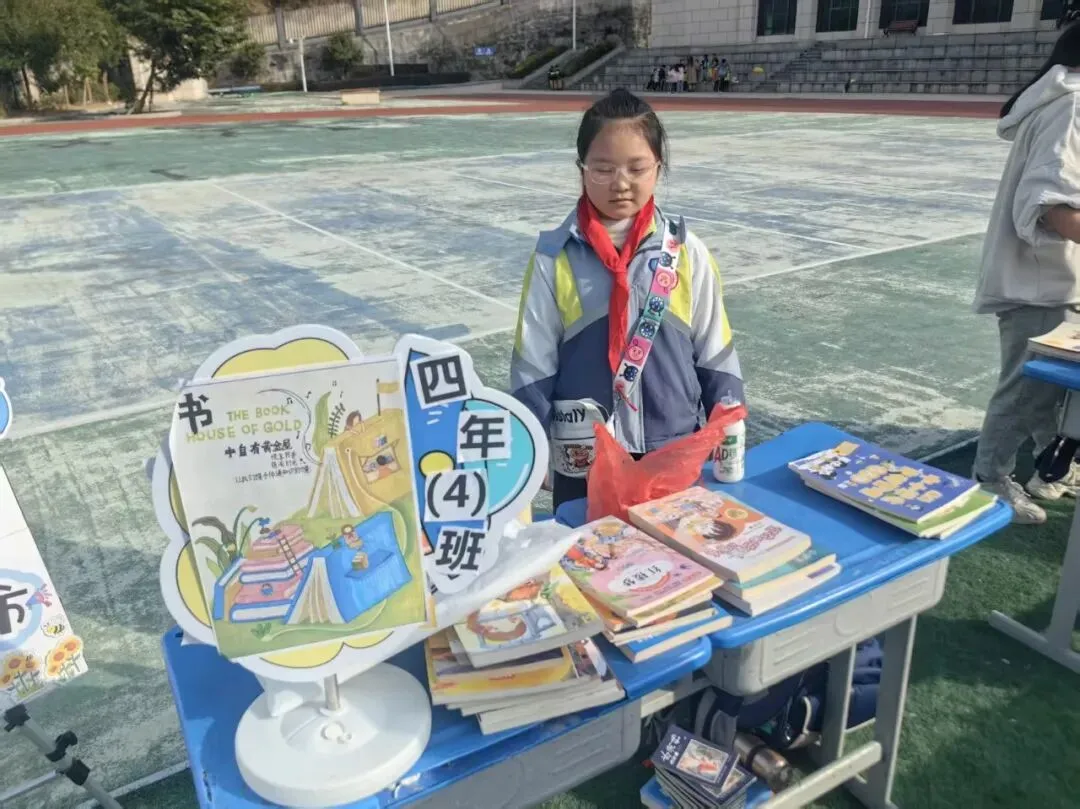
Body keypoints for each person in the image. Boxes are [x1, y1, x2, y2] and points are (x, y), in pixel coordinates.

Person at [510, 89, 744, 509]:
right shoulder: (552, 259)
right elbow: (533, 363)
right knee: (588, 546)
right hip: (584, 457)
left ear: (658, 168)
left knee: (675, 547)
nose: (620, 183)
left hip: (671, 448)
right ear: (582, 170)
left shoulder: (687, 252)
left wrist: (728, 418)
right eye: (603, 169)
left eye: (637, 168)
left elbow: (715, 350)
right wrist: (533, 444)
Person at [973, 22, 1080, 524]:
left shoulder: (1063, 101)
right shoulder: (1072, 106)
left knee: (1049, 389)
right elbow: (1053, 206)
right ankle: (990, 479)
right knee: (1026, 388)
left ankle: (1049, 468)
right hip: (1041, 281)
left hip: (1054, 278)